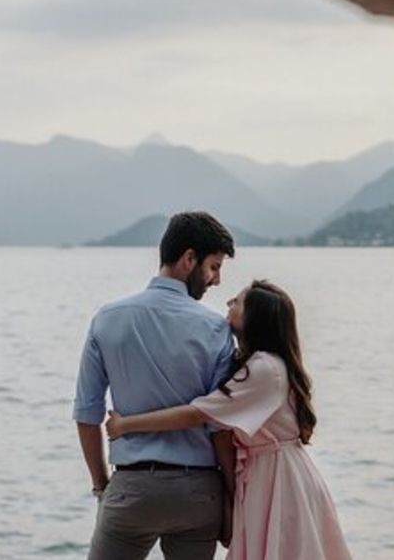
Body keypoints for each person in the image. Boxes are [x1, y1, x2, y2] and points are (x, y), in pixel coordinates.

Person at [106, 280, 352, 560]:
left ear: (254, 318)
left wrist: (126, 425)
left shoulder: (264, 369)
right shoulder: (263, 365)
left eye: (237, 301)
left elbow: (196, 413)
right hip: (270, 473)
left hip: (277, 478)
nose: (228, 303)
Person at [73, 211, 238, 560]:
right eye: (214, 266)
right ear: (188, 259)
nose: (216, 280)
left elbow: (87, 415)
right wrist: (230, 499)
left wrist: (102, 487)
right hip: (198, 493)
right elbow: (218, 428)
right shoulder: (216, 330)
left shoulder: (107, 318)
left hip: (131, 489)